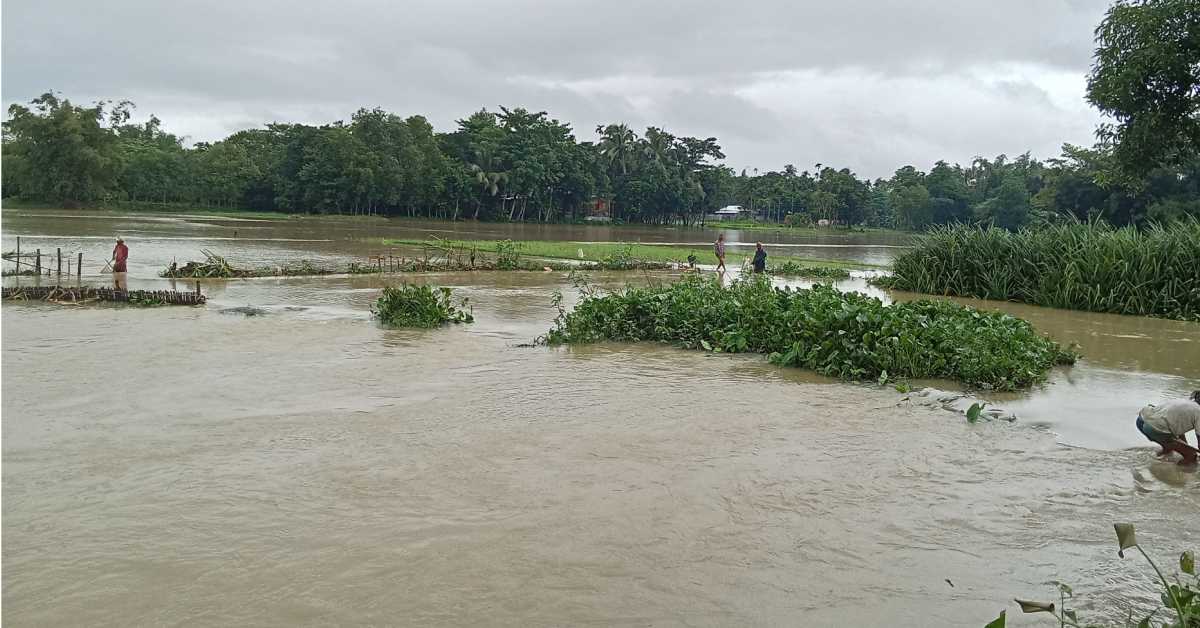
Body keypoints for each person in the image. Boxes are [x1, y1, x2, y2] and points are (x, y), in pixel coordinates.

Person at [1137, 391, 1200, 465]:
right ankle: (1175, 473)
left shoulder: (1185, 402)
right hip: (1155, 429)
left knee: (1169, 448)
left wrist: (1185, 447)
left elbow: (1178, 430)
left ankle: (1159, 462)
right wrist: (1189, 452)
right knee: (1191, 456)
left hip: (1141, 420)